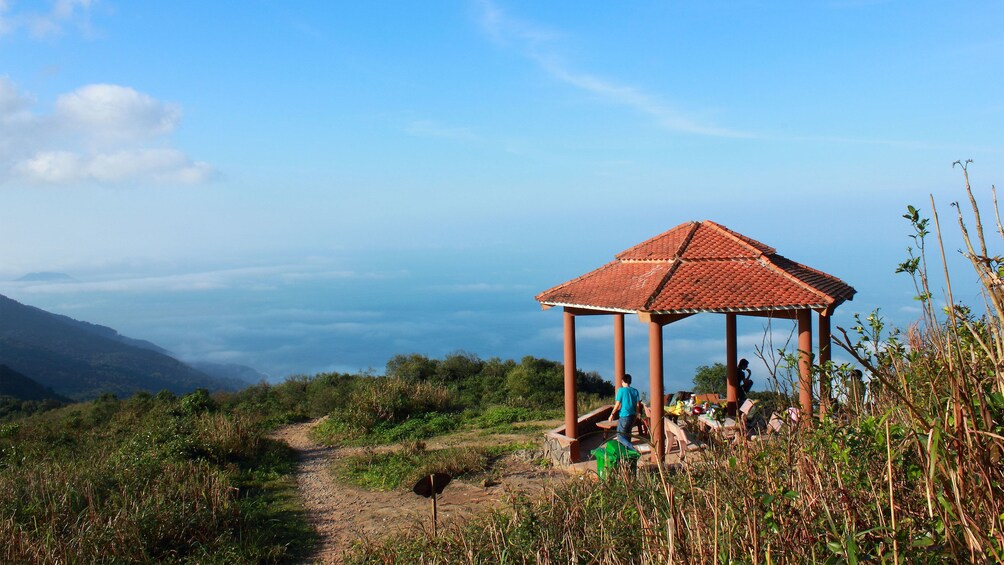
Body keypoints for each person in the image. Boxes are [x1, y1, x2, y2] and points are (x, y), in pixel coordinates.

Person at [607, 373, 641, 451]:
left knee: (620, 436)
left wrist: (612, 414)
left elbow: (617, 404)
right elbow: (638, 404)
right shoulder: (635, 391)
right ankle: (628, 453)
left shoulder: (621, 390)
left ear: (622, 381)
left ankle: (632, 449)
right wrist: (637, 414)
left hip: (624, 415)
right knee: (628, 434)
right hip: (633, 415)